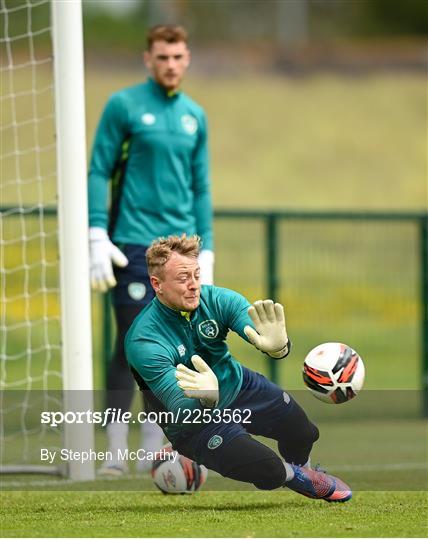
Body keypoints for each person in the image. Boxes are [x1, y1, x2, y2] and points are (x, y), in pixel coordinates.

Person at [125, 235, 352, 501]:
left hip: (240, 387)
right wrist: (207, 400)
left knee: (304, 432)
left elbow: (249, 321)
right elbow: (178, 404)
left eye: (196, 275)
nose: (193, 285)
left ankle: (303, 469)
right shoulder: (144, 340)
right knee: (269, 471)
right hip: (194, 424)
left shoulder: (216, 299)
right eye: (183, 278)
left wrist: (278, 347)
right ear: (157, 284)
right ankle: (293, 476)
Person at [88, 25, 214, 475]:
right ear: (148, 59)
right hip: (136, 244)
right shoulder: (123, 106)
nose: (171, 64)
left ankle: (155, 446)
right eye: (163, 57)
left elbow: (200, 187)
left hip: (183, 249)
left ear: (187, 58)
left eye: (178, 56)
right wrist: (96, 233)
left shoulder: (195, 116)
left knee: (176, 349)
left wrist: (208, 251)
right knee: (129, 343)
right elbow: (98, 169)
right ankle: (115, 449)